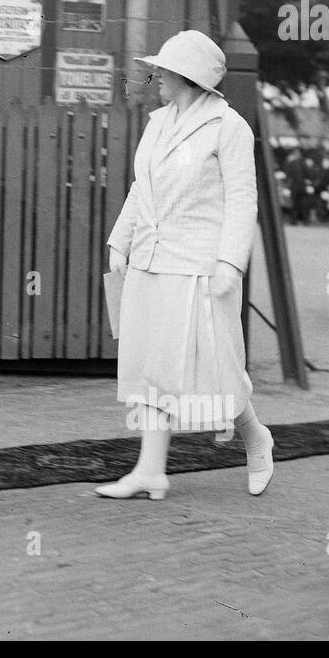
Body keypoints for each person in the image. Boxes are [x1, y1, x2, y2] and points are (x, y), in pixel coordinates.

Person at [99, 29, 273, 501]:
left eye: (165, 71)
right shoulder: (159, 123)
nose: (156, 78)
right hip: (152, 260)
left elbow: (242, 200)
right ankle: (150, 470)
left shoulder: (229, 127)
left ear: (187, 76)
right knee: (152, 367)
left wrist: (229, 264)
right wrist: (122, 240)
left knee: (218, 370)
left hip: (200, 267)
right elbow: (143, 188)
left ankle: (255, 437)